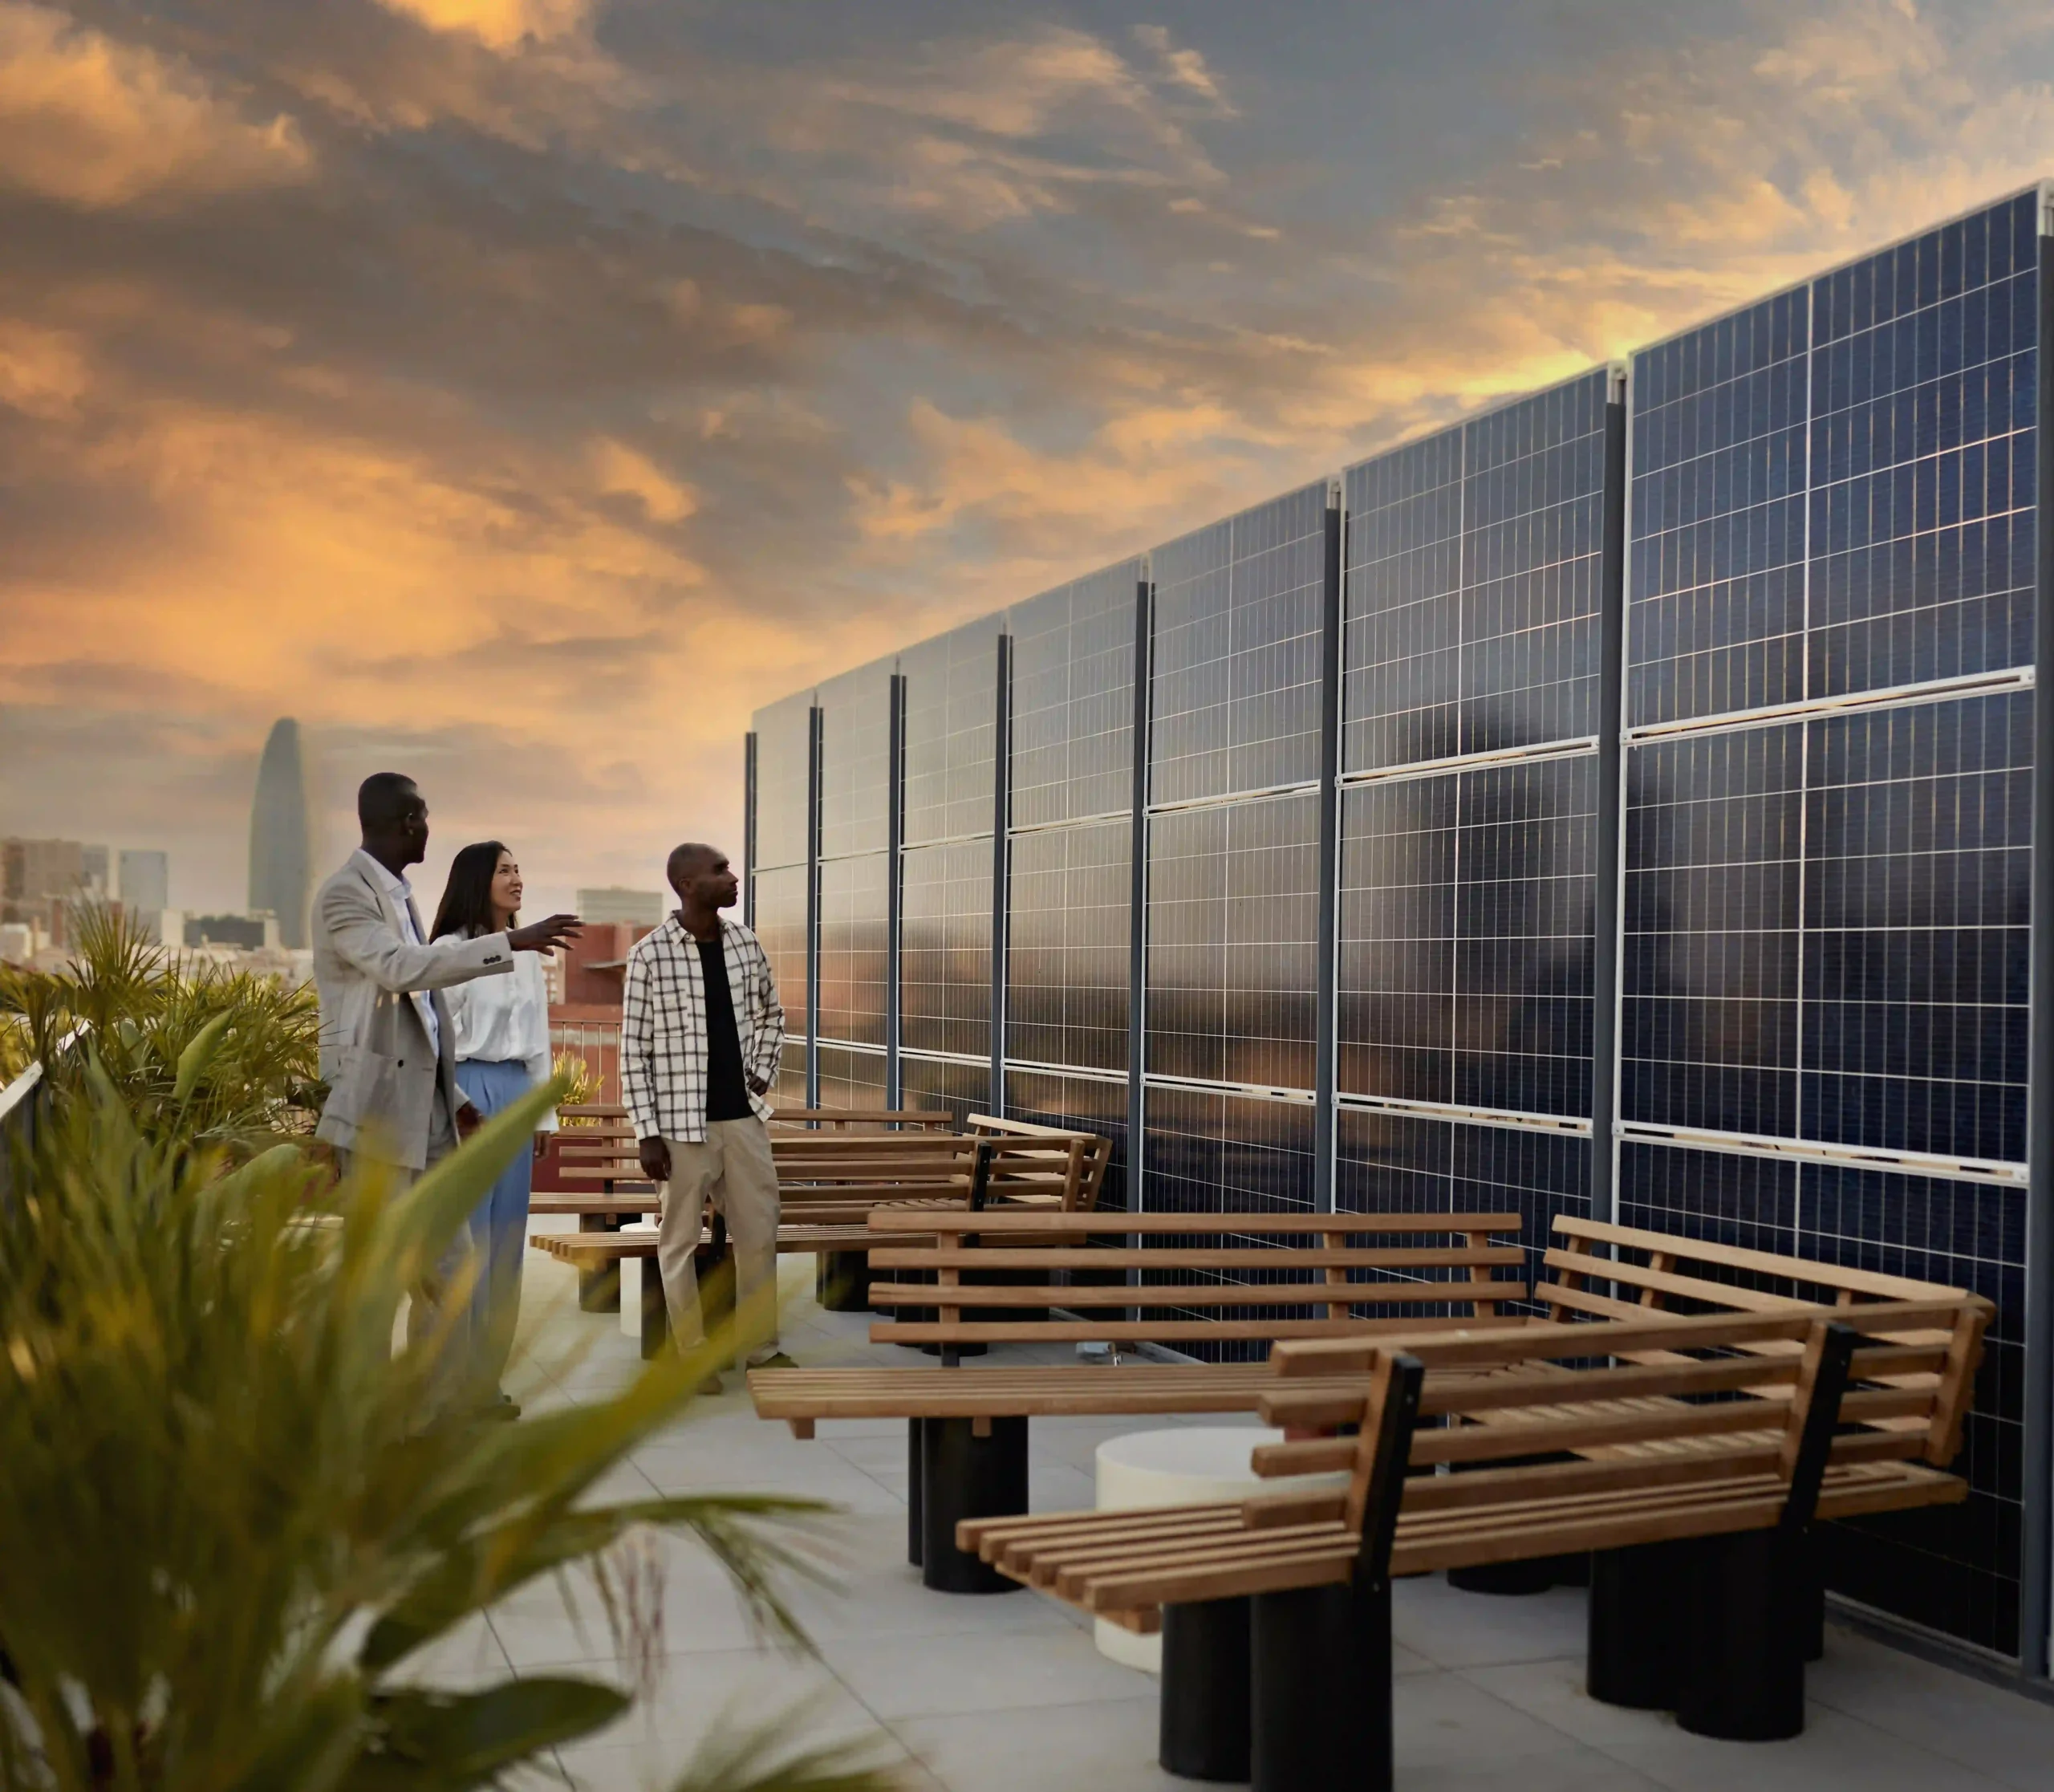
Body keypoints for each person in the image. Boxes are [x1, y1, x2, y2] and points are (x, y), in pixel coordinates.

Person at [311, 773, 579, 1417]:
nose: (429, 828)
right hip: (379, 1113)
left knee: (456, 1270)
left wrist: (451, 1096)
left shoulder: (397, 895)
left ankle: (433, 1413)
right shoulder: (346, 895)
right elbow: (402, 971)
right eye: (423, 817)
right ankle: (368, 1419)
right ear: (404, 822)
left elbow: (427, 1016)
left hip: (432, 1108)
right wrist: (511, 941)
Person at [622, 843, 793, 1392]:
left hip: (742, 1119)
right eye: (720, 870)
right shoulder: (649, 955)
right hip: (678, 1128)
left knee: (758, 1234)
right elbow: (633, 1051)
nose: (732, 876)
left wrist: (761, 1069)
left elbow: (772, 1011)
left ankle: (761, 1350)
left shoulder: (745, 943)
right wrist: (647, 1132)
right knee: (677, 1243)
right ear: (688, 883)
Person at [432, 841, 558, 1420]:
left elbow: (539, 1042)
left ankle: (488, 1382)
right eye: (505, 869)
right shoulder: (449, 951)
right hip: (467, 1097)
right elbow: (435, 1041)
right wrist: (459, 1104)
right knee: (469, 1246)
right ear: (477, 879)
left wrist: (543, 1111)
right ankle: (454, 1383)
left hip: (514, 1095)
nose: (518, 878)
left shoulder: (528, 954)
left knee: (507, 1245)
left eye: (519, 867)